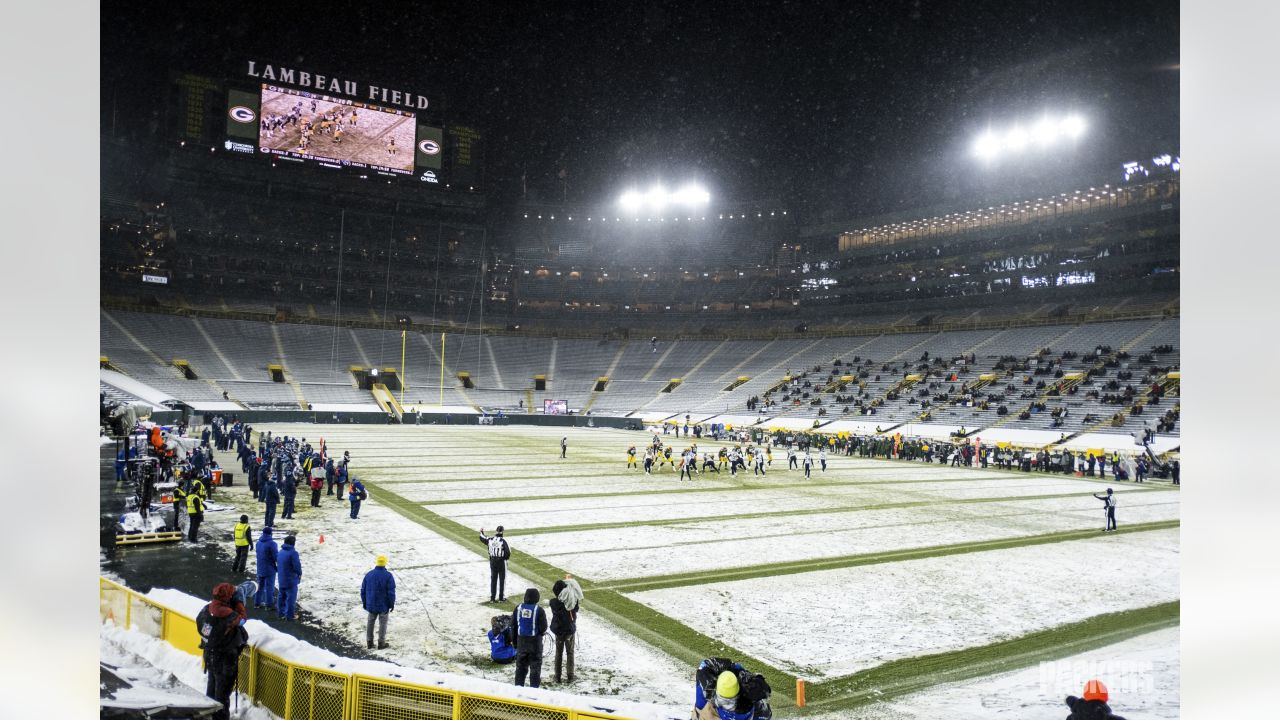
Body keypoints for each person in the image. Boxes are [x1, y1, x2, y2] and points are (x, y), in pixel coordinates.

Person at [195, 583, 248, 720]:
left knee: (211, 688)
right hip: (225, 659)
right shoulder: (227, 613)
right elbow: (242, 620)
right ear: (228, 597)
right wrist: (239, 602)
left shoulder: (207, 609)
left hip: (210, 655)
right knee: (222, 695)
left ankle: (208, 714)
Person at [693, 657, 772, 720]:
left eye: (730, 701)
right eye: (723, 700)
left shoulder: (746, 700)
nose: (728, 706)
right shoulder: (706, 689)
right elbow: (705, 665)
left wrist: (757, 684)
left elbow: (766, 690)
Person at [511, 587, 548, 687]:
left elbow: (513, 626)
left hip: (521, 643)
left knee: (520, 669)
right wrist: (541, 633)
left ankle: (518, 691)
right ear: (537, 598)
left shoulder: (518, 608)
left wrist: (514, 643)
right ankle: (534, 691)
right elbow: (543, 627)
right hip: (535, 644)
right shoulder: (539, 610)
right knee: (535, 669)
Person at [549, 577, 583, 684]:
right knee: (570, 653)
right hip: (569, 630)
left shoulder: (553, 602)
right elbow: (576, 608)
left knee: (558, 653)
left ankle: (557, 676)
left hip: (558, 631)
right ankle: (570, 675)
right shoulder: (572, 601)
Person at [361, 555, 396, 649]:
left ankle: (369, 642)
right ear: (385, 563)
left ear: (377, 562)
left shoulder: (369, 575)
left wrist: (365, 602)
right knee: (383, 624)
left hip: (371, 604)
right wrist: (391, 604)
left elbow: (363, 590)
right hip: (383, 605)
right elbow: (391, 592)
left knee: (370, 622)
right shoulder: (388, 576)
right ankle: (381, 643)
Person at [479, 526, 511, 602]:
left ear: (496, 531)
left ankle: (492, 598)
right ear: (502, 532)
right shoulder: (503, 541)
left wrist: (481, 532)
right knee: (502, 580)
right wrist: (505, 559)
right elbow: (508, 552)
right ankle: (501, 598)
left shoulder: (491, 540)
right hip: (501, 561)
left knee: (493, 579)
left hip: (492, 561)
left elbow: (482, 538)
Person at [276, 535, 302, 621]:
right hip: (291, 579)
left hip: (281, 578)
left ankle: (281, 613)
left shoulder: (280, 552)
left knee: (281, 596)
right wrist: (299, 573)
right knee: (291, 598)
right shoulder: (293, 553)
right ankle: (290, 616)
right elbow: (297, 566)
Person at [254, 527, 278, 608]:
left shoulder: (258, 542)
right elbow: (276, 557)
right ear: (271, 533)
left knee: (260, 587)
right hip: (269, 569)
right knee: (269, 587)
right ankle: (269, 605)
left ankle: (257, 603)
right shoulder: (272, 544)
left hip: (260, 567)